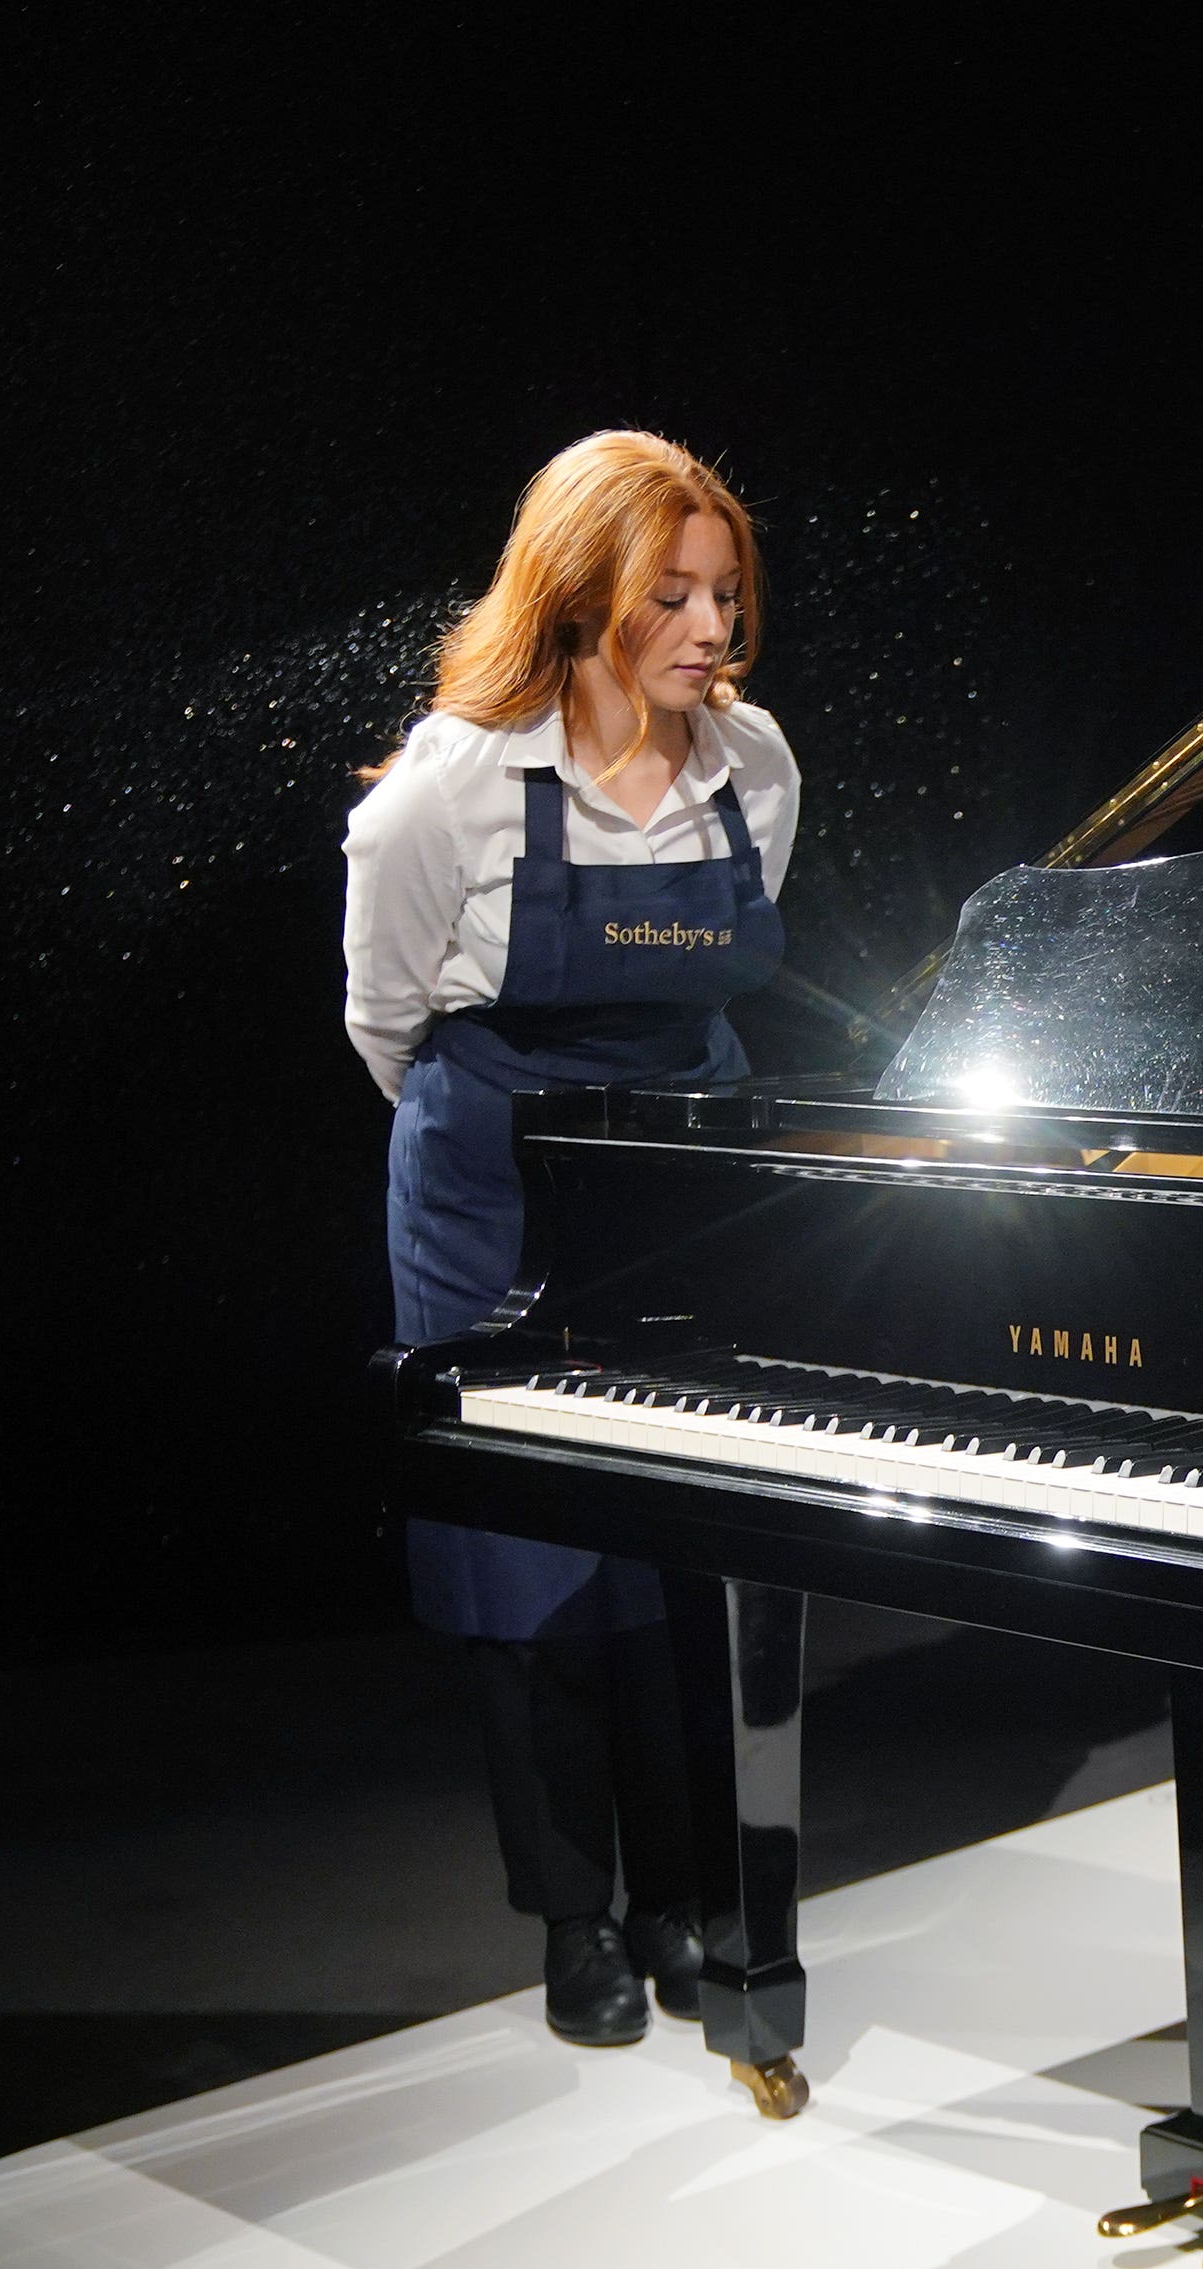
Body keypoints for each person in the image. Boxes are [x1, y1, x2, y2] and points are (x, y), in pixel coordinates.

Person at [340, 431, 796, 2046]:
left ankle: (681, 1898)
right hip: (494, 1206)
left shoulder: (752, 767)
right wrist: (509, 1139)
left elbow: (725, 970)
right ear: (580, 590)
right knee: (531, 1575)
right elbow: (386, 1020)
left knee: (681, 1554)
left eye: (723, 593)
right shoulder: (452, 788)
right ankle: (573, 1921)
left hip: (680, 1199)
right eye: (669, 594)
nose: (706, 628)